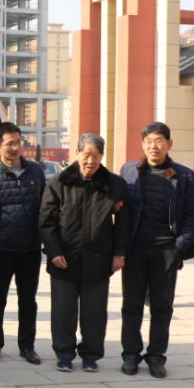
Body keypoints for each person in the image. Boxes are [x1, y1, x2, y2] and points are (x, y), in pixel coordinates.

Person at [119, 122, 194, 378]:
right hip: (136, 250)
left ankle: (156, 356)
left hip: (166, 251)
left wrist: (179, 246)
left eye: (158, 141)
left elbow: (192, 215)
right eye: (148, 141)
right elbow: (121, 209)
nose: (153, 146)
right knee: (131, 305)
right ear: (142, 144)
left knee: (162, 307)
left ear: (169, 144)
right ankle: (131, 355)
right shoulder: (129, 171)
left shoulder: (185, 176)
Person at [40, 133, 129, 372]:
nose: (91, 161)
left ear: (102, 156)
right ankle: (64, 354)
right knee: (63, 310)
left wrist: (119, 253)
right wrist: (54, 251)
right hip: (64, 259)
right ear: (77, 153)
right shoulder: (59, 182)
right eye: (86, 155)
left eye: (96, 156)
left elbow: (123, 223)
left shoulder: (114, 184)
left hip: (98, 259)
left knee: (94, 311)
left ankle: (91, 354)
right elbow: (46, 221)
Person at [0, 122, 46, 366]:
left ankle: (27, 345)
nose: (16, 147)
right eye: (10, 143)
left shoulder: (35, 171)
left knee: (27, 300)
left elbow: (44, 206)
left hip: (29, 248)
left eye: (19, 142)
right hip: (0, 248)